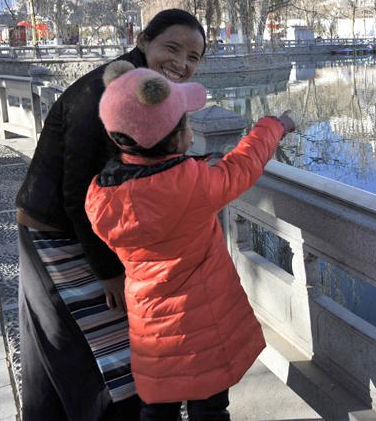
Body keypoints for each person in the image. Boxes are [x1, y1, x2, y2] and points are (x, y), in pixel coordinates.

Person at [14, 9, 207, 420]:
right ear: (143, 41)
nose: (182, 63)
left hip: (66, 225)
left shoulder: (144, 87)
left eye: (193, 57)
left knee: (58, 357)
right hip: (56, 231)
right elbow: (76, 189)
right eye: (171, 48)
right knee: (99, 360)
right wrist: (108, 272)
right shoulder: (112, 92)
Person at [84, 62, 295, 420]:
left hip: (150, 324)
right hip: (204, 324)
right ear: (180, 138)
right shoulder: (192, 185)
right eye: (185, 122)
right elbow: (243, 163)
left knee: (156, 408)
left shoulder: (99, 194)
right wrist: (275, 125)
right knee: (209, 409)